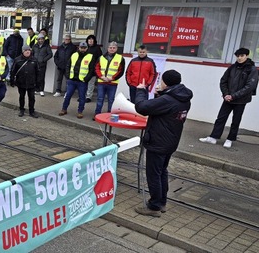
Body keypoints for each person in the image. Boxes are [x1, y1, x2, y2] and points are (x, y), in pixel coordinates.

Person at [134, 70, 192, 217]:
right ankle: (162, 202)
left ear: (166, 82)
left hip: (158, 142)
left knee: (154, 174)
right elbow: (163, 110)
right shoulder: (182, 97)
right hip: (171, 141)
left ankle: (154, 207)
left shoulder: (168, 100)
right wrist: (162, 94)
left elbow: (142, 107)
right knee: (162, 172)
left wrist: (141, 91)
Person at [199, 48, 258, 149]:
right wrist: (226, 94)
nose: (239, 58)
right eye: (238, 56)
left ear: (247, 56)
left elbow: (250, 86)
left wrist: (234, 96)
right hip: (228, 98)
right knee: (220, 118)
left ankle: (230, 139)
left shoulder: (252, 69)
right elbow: (223, 81)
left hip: (240, 100)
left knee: (236, 120)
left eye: (242, 56)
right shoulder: (232, 67)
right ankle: (213, 137)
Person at [59, 42, 92, 118]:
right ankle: (64, 109)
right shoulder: (74, 55)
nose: (82, 49)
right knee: (68, 96)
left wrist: (86, 79)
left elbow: (91, 70)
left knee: (82, 97)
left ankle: (80, 112)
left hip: (82, 81)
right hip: (72, 80)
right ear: (79, 48)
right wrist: (68, 76)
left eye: (84, 48)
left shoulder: (90, 57)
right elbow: (68, 65)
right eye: (81, 47)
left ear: (87, 48)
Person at [93, 41, 125, 119]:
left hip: (113, 83)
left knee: (111, 100)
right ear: (107, 48)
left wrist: (112, 78)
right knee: (100, 99)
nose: (112, 49)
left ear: (116, 49)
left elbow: (120, 71)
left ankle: (110, 115)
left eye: (114, 48)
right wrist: (101, 77)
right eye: (110, 47)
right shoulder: (101, 57)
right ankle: (97, 114)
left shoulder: (120, 58)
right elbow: (97, 68)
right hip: (101, 82)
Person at [10, 45, 39, 118]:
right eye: (26, 50)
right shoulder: (17, 60)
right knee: (22, 96)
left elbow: (38, 72)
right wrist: (12, 80)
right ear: (23, 51)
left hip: (31, 82)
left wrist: (38, 83)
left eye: (29, 50)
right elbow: (13, 71)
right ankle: (21, 110)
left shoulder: (34, 60)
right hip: (21, 82)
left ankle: (31, 111)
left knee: (32, 97)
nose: (27, 52)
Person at [84, 34, 103, 103]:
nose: (90, 41)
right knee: (83, 83)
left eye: (92, 39)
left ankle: (88, 97)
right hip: (84, 69)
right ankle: (82, 96)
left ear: (94, 40)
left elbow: (100, 59)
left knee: (91, 83)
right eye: (89, 39)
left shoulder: (97, 48)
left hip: (93, 69)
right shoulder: (85, 47)